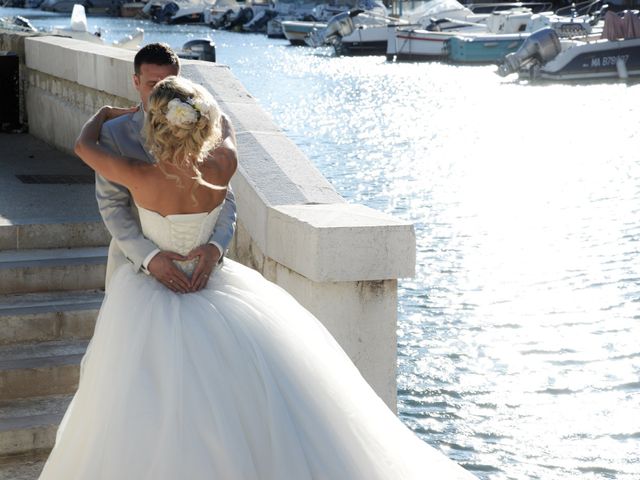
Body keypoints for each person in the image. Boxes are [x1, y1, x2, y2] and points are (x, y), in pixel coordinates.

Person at [38, 76, 476, 479]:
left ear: (154, 127)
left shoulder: (137, 176)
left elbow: (83, 144)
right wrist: (206, 118)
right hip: (214, 287)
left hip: (154, 292)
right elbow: (227, 125)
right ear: (199, 125)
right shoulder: (222, 165)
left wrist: (103, 115)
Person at [96, 42, 237, 294]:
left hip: (204, 270)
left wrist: (216, 247)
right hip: (137, 269)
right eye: (153, 85)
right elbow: (112, 204)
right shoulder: (114, 133)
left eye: (169, 82)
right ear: (136, 82)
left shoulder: (202, 128)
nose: (163, 91)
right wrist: (149, 258)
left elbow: (226, 195)